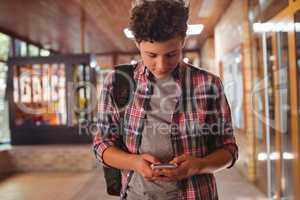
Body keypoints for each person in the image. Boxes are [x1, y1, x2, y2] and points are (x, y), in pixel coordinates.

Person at [93, 0, 238, 199]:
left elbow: (228, 149)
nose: (161, 65)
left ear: (183, 41)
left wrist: (200, 165)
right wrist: (134, 162)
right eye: (151, 55)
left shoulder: (209, 84)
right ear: (137, 44)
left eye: (171, 54)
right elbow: (101, 145)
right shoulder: (117, 83)